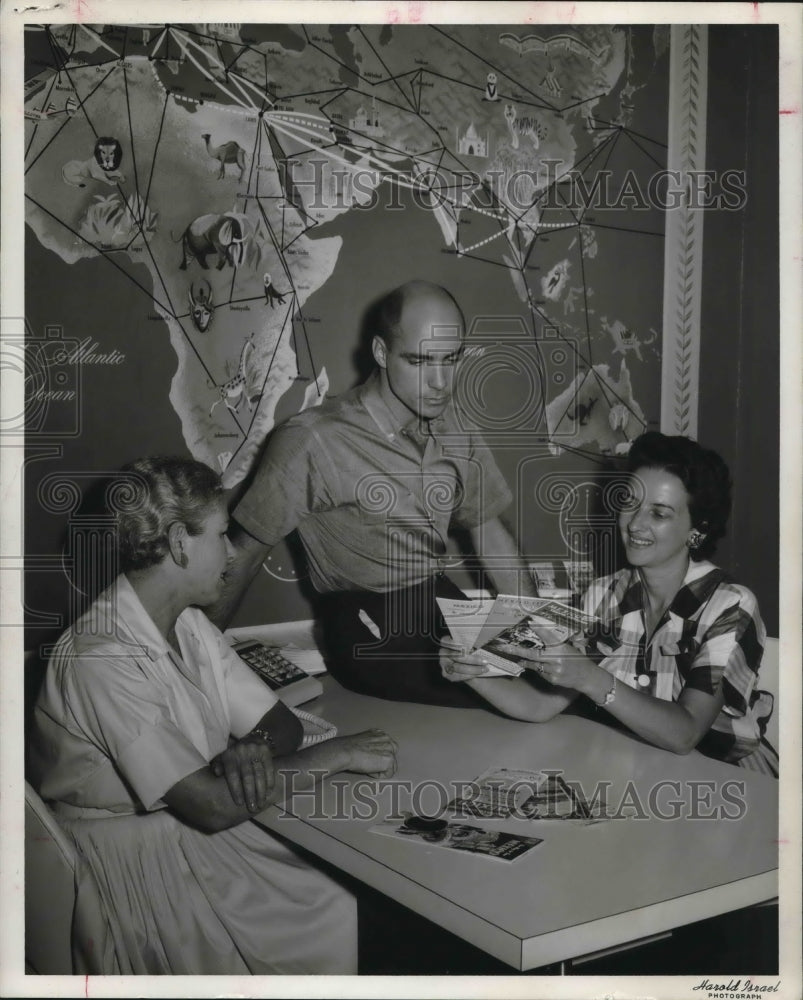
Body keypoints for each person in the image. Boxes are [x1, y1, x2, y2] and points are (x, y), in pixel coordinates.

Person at [28, 456, 398, 975]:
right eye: (222, 536)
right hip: (130, 869)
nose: (230, 554)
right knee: (332, 913)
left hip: (185, 831)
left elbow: (282, 726)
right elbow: (210, 807)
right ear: (179, 542)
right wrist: (337, 754)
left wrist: (247, 752)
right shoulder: (100, 658)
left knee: (340, 902)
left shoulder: (189, 625)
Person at [211, 280, 537, 706]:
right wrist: (186, 664)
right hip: (368, 626)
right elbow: (241, 556)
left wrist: (536, 627)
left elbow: (489, 532)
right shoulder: (311, 439)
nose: (441, 382)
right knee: (534, 697)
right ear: (382, 353)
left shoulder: (455, 425)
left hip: (438, 602)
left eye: (452, 359)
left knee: (570, 669)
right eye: (420, 361)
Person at [439, 432, 777, 775]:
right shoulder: (602, 595)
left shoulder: (731, 607)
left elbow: (686, 733)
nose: (635, 523)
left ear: (697, 531)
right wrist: (470, 672)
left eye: (659, 514)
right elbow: (541, 705)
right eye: (629, 503)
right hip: (638, 767)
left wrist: (591, 678)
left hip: (731, 781)